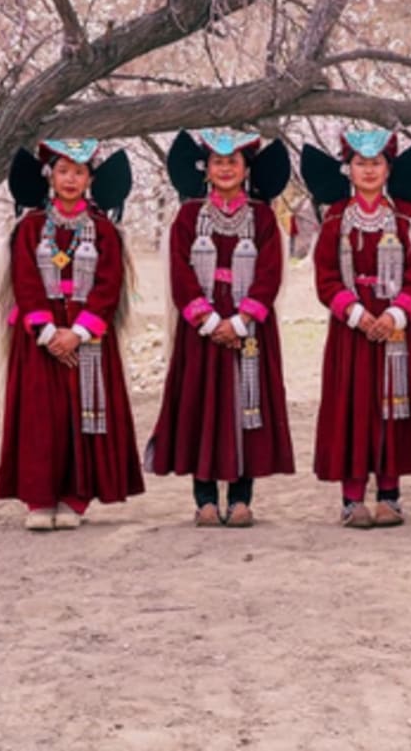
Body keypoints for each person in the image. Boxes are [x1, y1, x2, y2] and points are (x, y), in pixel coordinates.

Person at [145, 128, 294, 526]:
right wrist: (209, 320)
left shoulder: (263, 217)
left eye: (233, 162)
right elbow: (180, 271)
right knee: (201, 405)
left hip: (249, 329)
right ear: (206, 168)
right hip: (201, 328)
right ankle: (205, 499)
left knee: (247, 405)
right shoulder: (188, 216)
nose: (225, 169)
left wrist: (242, 320)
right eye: (217, 162)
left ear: (246, 168)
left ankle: (241, 498)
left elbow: (269, 272)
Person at [0, 137, 144, 530]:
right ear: (50, 176)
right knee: (40, 415)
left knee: (85, 412)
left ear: (90, 178)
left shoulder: (104, 230)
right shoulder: (29, 227)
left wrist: (77, 332)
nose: (71, 179)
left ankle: (75, 499)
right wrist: (47, 332)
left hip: (88, 336)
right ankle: (39, 499)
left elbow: (109, 285)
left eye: (79, 172)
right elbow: (25, 280)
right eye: (63, 171)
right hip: (39, 336)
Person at [302, 129, 411, 527]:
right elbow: (326, 277)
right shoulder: (336, 218)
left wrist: (395, 315)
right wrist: (358, 314)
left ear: (388, 168)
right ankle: (352, 497)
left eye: (376, 163)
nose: (369, 171)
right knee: (353, 406)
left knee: (394, 405)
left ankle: (390, 495)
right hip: (352, 330)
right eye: (361, 163)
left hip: (396, 329)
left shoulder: (405, 217)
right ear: (349, 168)